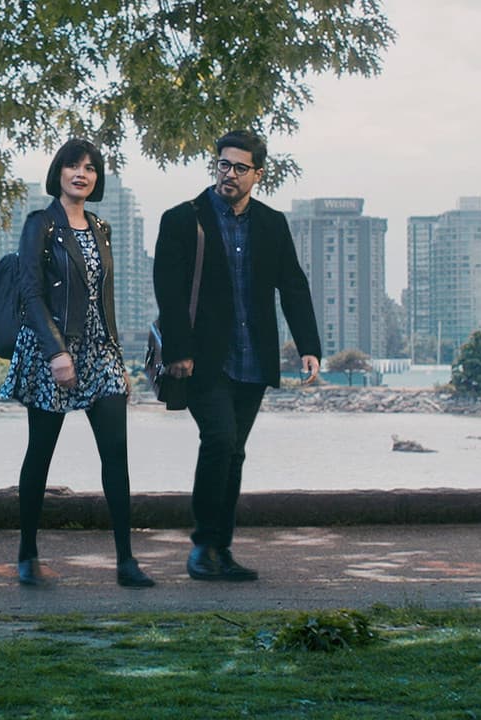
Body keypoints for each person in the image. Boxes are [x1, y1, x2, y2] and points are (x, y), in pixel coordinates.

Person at [152, 130, 322, 582]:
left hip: (254, 358)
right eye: (223, 164)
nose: (229, 174)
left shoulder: (271, 223)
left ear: (258, 174)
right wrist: (178, 350)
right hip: (203, 359)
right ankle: (202, 548)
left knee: (235, 453)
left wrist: (308, 346)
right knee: (220, 440)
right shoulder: (182, 219)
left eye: (240, 168)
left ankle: (221, 550)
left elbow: (293, 285)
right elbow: (168, 289)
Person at [0, 138, 155, 588]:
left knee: (116, 454)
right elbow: (31, 293)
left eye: (89, 167)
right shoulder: (40, 224)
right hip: (52, 350)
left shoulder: (102, 227)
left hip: (100, 352)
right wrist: (57, 353)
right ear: (59, 172)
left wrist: (117, 361)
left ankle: (126, 561)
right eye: (73, 166)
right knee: (41, 452)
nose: (81, 174)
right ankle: (27, 553)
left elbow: (104, 299)